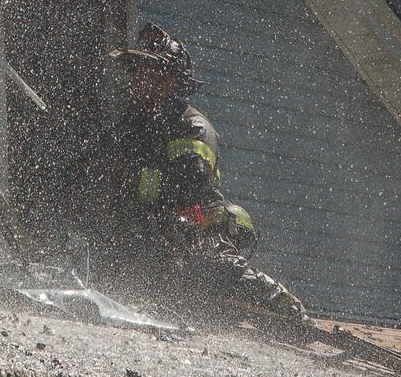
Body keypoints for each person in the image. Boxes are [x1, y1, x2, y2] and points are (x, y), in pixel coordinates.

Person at [97, 22, 307, 322]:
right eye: (139, 71)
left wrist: (128, 182)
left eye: (153, 73)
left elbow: (187, 186)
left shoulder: (192, 127)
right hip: (148, 233)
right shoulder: (132, 124)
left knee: (211, 263)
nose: (143, 79)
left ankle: (288, 311)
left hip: (198, 232)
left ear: (172, 81)